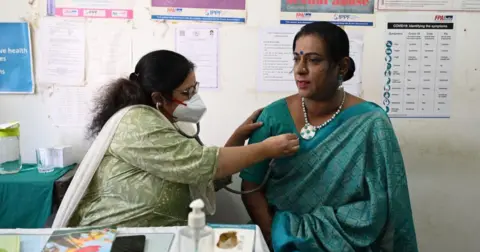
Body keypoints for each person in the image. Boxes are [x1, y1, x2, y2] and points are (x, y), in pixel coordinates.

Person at [240, 22, 421, 252]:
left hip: (348, 248)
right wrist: (277, 239)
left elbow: (389, 199)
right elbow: (250, 186)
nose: (300, 70)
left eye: (313, 60)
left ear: (342, 66)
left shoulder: (371, 122)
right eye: (296, 59)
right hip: (281, 247)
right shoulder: (272, 116)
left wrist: (330, 234)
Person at [51, 50, 299, 228]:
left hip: (154, 238)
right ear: (159, 97)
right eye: (186, 92)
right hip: (114, 240)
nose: (193, 98)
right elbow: (200, 164)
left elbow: (199, 175)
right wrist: (266, 148)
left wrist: (236, 138)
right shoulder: (137, 122)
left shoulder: (167, 125)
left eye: (195, 88)